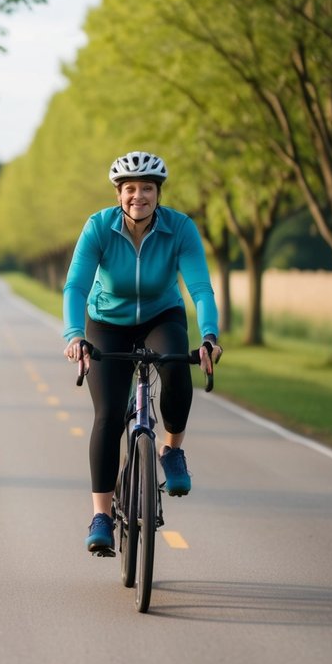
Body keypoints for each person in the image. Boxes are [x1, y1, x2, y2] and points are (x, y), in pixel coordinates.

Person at [62, 150, 222, 555]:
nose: (138, 196)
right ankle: (101, 516)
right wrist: (76, 335)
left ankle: (172, 450)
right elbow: (76, 286)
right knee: (109, 416)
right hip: (107, 321)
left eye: (147, 188)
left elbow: (200, 289)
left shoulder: (180, 229)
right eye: (130, 188)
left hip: (160, 315)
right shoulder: (99, 227)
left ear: (158, 193)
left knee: (174, 367)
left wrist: (208, 337)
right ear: (119, 194)